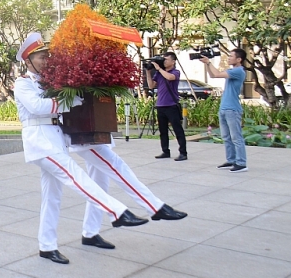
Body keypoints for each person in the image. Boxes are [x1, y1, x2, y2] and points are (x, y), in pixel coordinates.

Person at [14, 33, 187, 265]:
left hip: (56, 137)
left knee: (52, 197)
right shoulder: (23, 83)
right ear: (28, 61)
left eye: (47, 56)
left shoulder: (50, 81)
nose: (46, 60)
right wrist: (68, 102)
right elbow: (36, 107)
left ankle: (47, 246)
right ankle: (116, 212)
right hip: (39, 140)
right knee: (76, 177)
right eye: (41, 57)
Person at [202, 48, 248, 173]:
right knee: (226, 137)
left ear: (239, 59)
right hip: (224, 107)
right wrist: (207, 63)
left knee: (236, 137)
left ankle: (241, 163)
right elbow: (212, 75)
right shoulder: (232, 70)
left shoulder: (239, 71)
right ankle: (231, 160)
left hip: (232, 109)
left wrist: (209, 62)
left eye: (231, 56)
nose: (228, 58)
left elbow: (216, 74)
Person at [146, 52, 187, 161]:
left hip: (171, 105)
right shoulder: (159, 73)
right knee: (163, 131)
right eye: (163, 59)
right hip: (160, 105)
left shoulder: (175, 72)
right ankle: (165, 151)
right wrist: (148, 72)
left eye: (166, 59)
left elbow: (170, 77)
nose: (164, 61)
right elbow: (151, 86)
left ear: (173, 62)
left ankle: (183, 153)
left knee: (178, 130)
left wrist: (159, 69)